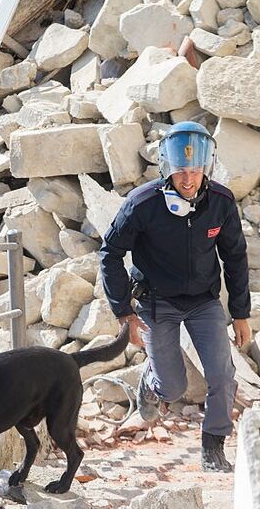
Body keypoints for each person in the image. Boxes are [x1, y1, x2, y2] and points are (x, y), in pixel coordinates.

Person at [98, 121, 251, 473]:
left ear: (206, 167)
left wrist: (241, 313)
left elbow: (236, 257)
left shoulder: (221, 203)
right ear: (168, 167)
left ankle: (213, 446)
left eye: (195, 170)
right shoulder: (142, 203)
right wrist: (124, 312)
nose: (188, 179)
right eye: (181, 171)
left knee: (223, 376)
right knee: (173, 387)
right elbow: (110, 252)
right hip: (156, 302)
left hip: (203, 301)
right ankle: (152, 384)